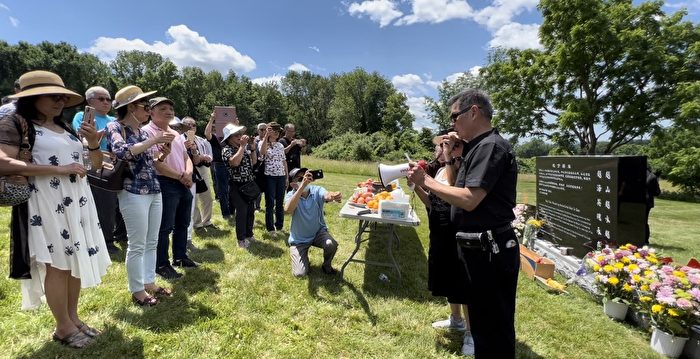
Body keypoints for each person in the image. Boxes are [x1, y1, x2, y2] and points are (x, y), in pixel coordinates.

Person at [0, 70, 110, 348]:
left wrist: (94, 144)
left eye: (63, 96)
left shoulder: (66, 128)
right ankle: (62, 327)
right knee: (57, 266)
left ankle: (73, 318)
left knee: (72, 262)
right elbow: (2, 162)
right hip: (45, 202)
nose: (60, 101)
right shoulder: (16, 123)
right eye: (53, 95)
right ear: (32, 98)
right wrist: (57, 169)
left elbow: (93, 165)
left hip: (76, 200)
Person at [407, 89, 519, 358]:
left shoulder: (490, 146)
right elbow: (460, 188)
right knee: (483, 327)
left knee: (493, 330)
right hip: (481, 250)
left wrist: (427, 181)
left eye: (454, 117)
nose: (452, 125)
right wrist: (452, 156)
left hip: (491, 252)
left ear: (473, 112)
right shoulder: (479, 147)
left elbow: (469, 199)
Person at [106, 85, 174, 306]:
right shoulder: (115, 126)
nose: (148, 110)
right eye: (145, 106)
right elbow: (122, 152)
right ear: (131, 107)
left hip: (153, 189)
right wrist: (154, 141)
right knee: (137, 243)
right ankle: (137, 290)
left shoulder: (143, 132)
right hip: (132, 191)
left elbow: (150, 162)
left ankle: (149, 282)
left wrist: (162, 155)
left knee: (152, 240)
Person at [411, 139, 473, 354]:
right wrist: (416, 185)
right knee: (447, 275)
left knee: (462, 281)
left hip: (455, 230)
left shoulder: (459, 168)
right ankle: (456, 319)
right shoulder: (438, 172)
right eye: (439, 146)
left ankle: (471, 333)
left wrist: (448, 158)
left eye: (443, 145)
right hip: (439, 230)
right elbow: (432, 202)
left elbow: (455, 188)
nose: (438, 149)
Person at [142, 97, 199, 280]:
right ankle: (161, 264)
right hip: (165, 183)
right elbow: (155, 163)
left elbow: (186, 156)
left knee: (183, 223)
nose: (169, 111)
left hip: (183, 182)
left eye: (171, 108)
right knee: (164, 227)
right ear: (151, 112)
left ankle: (180, 257)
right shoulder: (147, 132)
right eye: (163, 108)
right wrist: (180, 176)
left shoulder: (175, 133)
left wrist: (188, 173)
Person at [71, 86, 121, 254]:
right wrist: (105, 131)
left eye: (108, 99)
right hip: (93, 161)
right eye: (101, 99)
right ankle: (106, 241)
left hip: (114, 162)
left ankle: (118, 235)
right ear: (89, 101)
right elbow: (84, 139)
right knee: (103, 201)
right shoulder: (82, 116)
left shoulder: (114, 119)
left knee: (114, 202)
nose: (106, 102)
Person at [284, 168, 341, 277]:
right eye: (301, 178)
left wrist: (334, 195)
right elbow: (288, 210)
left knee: (331, 244)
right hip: (299, 240)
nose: (305, 180)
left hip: (317, 233)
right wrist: (301, 187)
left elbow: (327, 195)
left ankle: (326, 266)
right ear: (292, 184)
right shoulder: (290, 196)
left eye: (306, 176)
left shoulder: (316, 190)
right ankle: (302, 258)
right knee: (299, 274)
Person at [221, 123, 258, 248]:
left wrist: (252, 149)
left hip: (248, 184)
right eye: (236, 134)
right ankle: (241, 239)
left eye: (240, 134)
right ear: (229, 138)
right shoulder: (226, 150)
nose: (239, 136)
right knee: (242, 212)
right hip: (236, 185)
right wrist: (242, 146)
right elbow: (235, 162)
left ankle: (249, 234)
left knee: (250, 211)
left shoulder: (242, 148)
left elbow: (254, 161)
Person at [183, 116, 216, 230]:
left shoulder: (201, 140)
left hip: (203, 169)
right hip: (189, 170)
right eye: (188, 125)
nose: (191, 127)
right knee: (193, 198)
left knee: (207, 197)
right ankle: (197, 223)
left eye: (194, 125)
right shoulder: (180, 139)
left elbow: (210, 155)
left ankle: (206, 221)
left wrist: (206, 157)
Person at [258, 122, 288, 237]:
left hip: (280, 176)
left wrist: (286, 177)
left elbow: (283, 161)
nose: (277, 133)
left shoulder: (280, 145)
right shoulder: (262, 142)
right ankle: (270, 228)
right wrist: (266, 136)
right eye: (275, 131)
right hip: (269, 176)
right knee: (270, 203)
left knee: (280, 202)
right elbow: (262, 153)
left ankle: (279, 225)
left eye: (278, 131)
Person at [204, 113, 232, 220]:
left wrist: (235, 123)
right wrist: (212, 119)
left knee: (232, 189)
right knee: (223, 190)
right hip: (220, 165)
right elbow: (207, 133)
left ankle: (232, 210)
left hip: (231, 164)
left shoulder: (230, 137)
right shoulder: (216, 138)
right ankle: (226, 213)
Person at [645, 164, 661, 244]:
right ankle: (645, 239)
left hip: (635, 202)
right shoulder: (653, 177)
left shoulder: (636, 174)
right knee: (645, 221)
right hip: (647, 202)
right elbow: (657, 192)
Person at [253, 122, 267, 212]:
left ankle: (268, 205)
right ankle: (256, 206)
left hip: (269, 167)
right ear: (258, 131)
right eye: (261, 129)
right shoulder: (255, 141)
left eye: (265, 129)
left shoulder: (271, 141)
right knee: (258, 188)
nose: (264, 131)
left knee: (268, 188)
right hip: (257, 167)